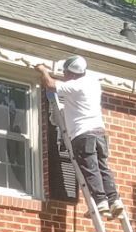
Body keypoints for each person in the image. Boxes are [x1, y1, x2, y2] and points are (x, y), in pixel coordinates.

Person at [33, 55, 123, 216]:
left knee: (91, 168)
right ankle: (114, 200)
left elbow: (50, 84)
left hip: (83, 134)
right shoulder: (93, 83)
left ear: (73, 74)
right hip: (100, 133)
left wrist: (43, 70)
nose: (64, 76)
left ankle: (101, 202)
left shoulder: (76, 86)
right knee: (103, 168)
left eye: (66, 73)